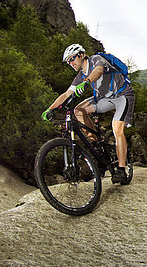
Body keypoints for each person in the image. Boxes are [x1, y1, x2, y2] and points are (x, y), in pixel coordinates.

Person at [42, 44, 135, 184]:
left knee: (117, 129)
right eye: (68, 61)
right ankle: (95, 143)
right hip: (105, 99)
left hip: (122, 95)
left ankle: (122, 169)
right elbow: (66, 93)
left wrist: (86, 82)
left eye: (72, 59)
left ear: (81, 55)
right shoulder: (80, 75)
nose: (70, 63)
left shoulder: (96, 60)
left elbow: (98, 71)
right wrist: (50, 109)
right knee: (78, 110)